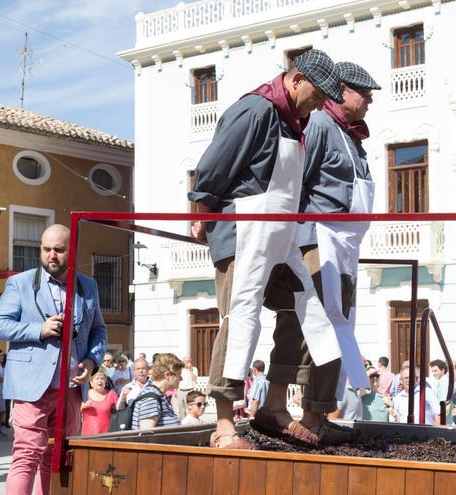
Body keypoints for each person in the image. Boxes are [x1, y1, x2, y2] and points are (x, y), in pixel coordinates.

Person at [188, 49, 343, 450]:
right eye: (318, 94)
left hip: (281, 237)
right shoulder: (256, 110)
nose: (321, 104)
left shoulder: (297, 122)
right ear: (295, 80)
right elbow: (212, 168)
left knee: (307, 312)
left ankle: (273, 406)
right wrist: (203, 216)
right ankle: (223, 426)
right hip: (244, 234)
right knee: (239, 320)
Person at [263, 61, 381, 442]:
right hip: (315, 238)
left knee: (337, 323)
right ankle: (289, 410)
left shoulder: (352, 137)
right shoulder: (320, 125)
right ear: (343, 91)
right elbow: (296, 182)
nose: (369, 102)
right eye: (365, 93)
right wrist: (288, 243)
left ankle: (317, 412)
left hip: (343, 243)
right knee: (304, 322)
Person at [0, 224, 107, 495]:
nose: (52, 255)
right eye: (46, 249)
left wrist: (91, 361)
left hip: (71, 389)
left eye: (59, 250)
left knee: (57, 457)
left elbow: (98, 329)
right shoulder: (21, 282)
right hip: (31, 387)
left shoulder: (87, 286)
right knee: (27, 455)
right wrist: (38, 329)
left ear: (72, 251)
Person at [132, 354, 183, 430]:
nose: (181, 378)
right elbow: (145, 436)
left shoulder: (160, 396)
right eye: (178, 374)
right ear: (167, 375)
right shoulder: (151, 399)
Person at [80, 369, 118, 435]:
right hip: (87, 436)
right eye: (97, 378)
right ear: (91, 382)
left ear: (105, 381)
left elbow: (119, 412)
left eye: (102, 378)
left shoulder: (112, 394)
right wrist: (82, 407)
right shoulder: (85, 394)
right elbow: (74, 413)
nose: (100, 381)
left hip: (107, 435)